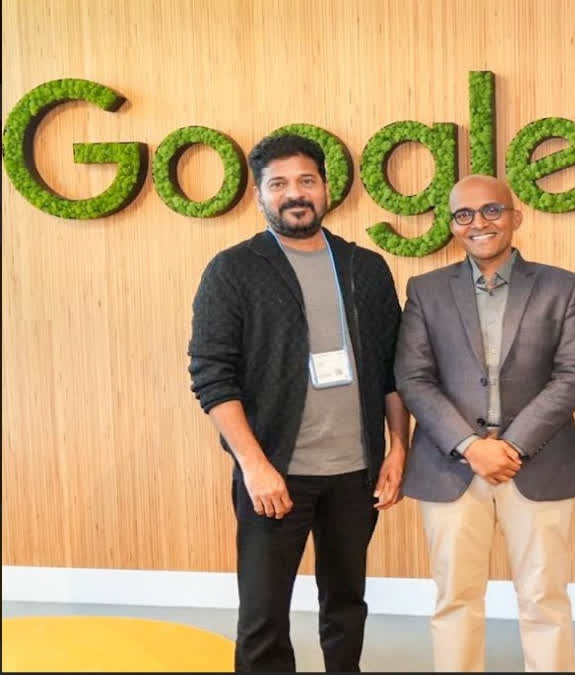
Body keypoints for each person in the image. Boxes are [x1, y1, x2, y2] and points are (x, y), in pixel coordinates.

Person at [187, 134, 407, 672]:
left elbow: (392, 369)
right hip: (274, 476)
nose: (295, 194)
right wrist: (254, 466)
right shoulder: (233, 270)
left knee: (346, 605)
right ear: (259, 196)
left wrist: (399, 448)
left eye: (306, 180)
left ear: (326, 188)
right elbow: (213, 377)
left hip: (356, 473)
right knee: (263, 617)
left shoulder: (365, 268)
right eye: (278, 183)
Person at [395, 174, 575, 672]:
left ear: (515, 217)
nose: (478, 223)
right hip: (451, 467)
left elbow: (573, 375)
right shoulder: (426, 290)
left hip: (539, 463)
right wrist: (469, 444)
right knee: (455, 598)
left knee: (544, 599)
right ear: (452, 225)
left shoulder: (562, 286)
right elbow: (413, 378)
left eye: (491, 211)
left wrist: (514, 445)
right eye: (464, 215)